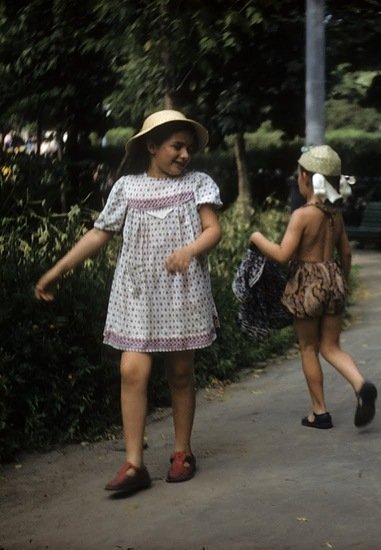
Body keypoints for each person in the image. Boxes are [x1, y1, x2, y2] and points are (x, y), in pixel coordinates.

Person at [34, 110, 222, 495]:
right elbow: (99, 234)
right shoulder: (126, 188)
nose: (184, 155)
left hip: (181, 294)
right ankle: (135, 464)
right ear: (152, 147)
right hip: (135, 295)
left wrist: (190, 250)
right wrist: (56, 271)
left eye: (188, 148)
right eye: (176, 146)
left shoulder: (198, 184)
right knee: (131, 373)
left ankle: (182, 452)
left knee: (181, 374)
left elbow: (214, 230)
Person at [249, 144, 377, 429]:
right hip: (333, 278)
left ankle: (320, 412)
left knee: (308, 347)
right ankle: (359, 383)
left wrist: (257, 238)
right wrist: (343, 281)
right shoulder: (335, 214)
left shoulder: (302, 215)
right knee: (331, 346)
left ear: (305, 177)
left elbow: (283, 254)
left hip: (306, 284)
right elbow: (345, 253)